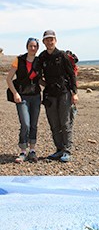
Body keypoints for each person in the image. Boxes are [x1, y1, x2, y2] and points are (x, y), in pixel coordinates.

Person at [39, 30, 78, 163]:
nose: (49, 42)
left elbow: (71, 75)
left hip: (64, 93)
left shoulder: (62, 56)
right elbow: (37, 75)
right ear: (43, 42)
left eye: (52, 39)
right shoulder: (42, 57)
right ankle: (59, 149)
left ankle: (67, 150)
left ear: (55, 40)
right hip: (50, 95)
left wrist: (75, 93)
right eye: (47, 39)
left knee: (65, 122)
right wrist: (47, 85)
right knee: (54, 124)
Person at [6, 37, 42, 163]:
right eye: (31, 46)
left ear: (37, 48)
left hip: (36, 96)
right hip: (22, 96)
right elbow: (9, 79)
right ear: (27, 46)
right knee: (25, 124)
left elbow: (42, 79)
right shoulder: (19, 60)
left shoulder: (39, 61)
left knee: (33, 124)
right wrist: (15, 93)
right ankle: (22, 151)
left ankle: (32, 150)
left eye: (35, 46)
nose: (33, 48)